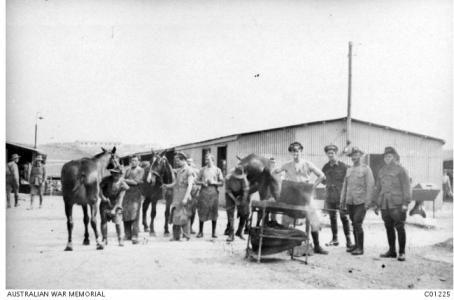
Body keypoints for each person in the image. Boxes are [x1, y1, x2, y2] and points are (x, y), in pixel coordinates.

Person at [273, 141, 328, 255]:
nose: (295, 153)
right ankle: (283, 246)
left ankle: (317, 245)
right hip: (291, 195)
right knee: (286, 219)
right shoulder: (287, 164)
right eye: (293, 151)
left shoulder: (308, 163)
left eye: (297, 151)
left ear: (301, 151)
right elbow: (275, 172)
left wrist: (313, 186)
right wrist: (279, 181)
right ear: (290, 153)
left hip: (305, 195)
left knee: (314, 219)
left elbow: (322, 175)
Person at [374, 147, 411, 262]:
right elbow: (378, 188)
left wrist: (406, 203)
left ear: (394, 157)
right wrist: (376, 204)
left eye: (389, 156)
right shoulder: (381, 171)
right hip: (385, 204)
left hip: (397, 204)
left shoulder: (401, 170)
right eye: (385, 157)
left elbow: (407, 187)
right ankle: (392, 251)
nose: (387, 159)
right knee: (388, 227)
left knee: (400, 227)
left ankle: (402, 252)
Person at [340, 147, 375, 256]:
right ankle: (356, 245)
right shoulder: (349, 170)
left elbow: (370, 186)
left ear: (361, 155)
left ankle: (360, 248)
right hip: (350, 201)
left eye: (356, 155)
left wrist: (368, 202)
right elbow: (345, 186)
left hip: (361, 201)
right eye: (352, 156)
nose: (354, 157)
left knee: (357, 223)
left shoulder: (366, 169)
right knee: (354, 223)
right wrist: (342, 200)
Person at [321, 144, 352, 248]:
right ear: (326, 154)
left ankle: (349, 240)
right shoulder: (325, 167)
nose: (331, 155)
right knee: (332, 218)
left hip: (341, 196)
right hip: (330, 196)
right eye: (329, 153)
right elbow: (323, 180)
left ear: (336, 153)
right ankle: (335, 239)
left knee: (344, 217)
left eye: (332, 153)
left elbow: (348, 181)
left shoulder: (343, 166)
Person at [164, 152, 195, 241]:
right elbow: (176, 183)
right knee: (175, 215)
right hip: (177, 196)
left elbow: (190, 185)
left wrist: (186, 197)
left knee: (184, 216)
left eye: (178, 161)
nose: (176, 163)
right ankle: (176, 236)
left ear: (183, 160)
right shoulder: (179, 170)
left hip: (184, 196)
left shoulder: (189, 170)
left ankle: (186, 236)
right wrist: (167, 185)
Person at [195, 154, 224, 238]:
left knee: (214, 212)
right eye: (206, 159)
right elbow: (196, 181)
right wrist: (202, 183)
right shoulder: (202, 170)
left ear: (213, 160)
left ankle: (213, 232)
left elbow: (222, 182)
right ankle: (200, 232)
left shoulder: (218, 170)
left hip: (214, 193)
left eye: (208, 159)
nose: (206, 161)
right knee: (202, 211)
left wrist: (214, 182)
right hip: (203, 193)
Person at [99, 166, 129, 247]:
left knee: (118, 222)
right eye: (114, 173)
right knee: (103, 221)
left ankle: (120, 239)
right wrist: (102, 198)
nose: (115, 175)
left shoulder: (123, 185)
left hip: (116, 204)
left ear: (121, 174)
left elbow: (120, 199)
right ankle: (104, 239)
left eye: (118, 174)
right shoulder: (106, 180)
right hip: (105, 203)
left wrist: (114, 209)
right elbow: (99, 189)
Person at [122, 155, 144, 244]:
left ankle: (135, 235)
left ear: (138, 161)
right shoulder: (127, 169)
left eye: (135, 160)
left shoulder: (140, 170)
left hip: (135, 195)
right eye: (132, 160)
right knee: (125, 214)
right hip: (126, 195)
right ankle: (127, 234)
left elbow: (136, 182)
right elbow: (122, 178)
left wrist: (124, 180)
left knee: (135, 215)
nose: (133, 162)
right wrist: (124, 179)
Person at [225, 165, 250, 242]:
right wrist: (234, 200)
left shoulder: (244, 179)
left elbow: (245, 192)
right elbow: (228, 191)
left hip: (241, 194)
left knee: (245, 213)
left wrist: (242, 202)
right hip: (230, 195)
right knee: (230, 213)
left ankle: (239, 231)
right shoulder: (228, 178)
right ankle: (231, 233)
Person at [187, 158, 200, 234]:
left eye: (190, 162)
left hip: (194, 192)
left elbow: (200, 180)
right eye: (187, 162)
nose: (189, 164)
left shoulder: (197, 171)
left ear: (192, 163)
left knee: (193, 211)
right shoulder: (183, 171)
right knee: (185, 211)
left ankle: (190, 227)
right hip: (185, 192)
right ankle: (185, 228)